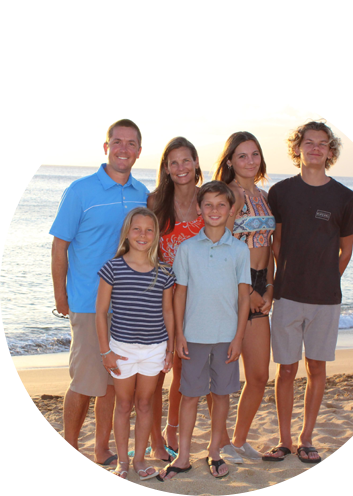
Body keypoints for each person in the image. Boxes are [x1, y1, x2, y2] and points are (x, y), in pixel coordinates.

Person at [50, 119, 149, 466]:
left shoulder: (142, 193)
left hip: (126, 305)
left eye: (131, 143)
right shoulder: (80, 190)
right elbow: (60, 246)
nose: (124, 148)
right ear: (106, 147)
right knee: (84, 380)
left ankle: (102, 448)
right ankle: (69, 449)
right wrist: (61, 297)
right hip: (88, 303)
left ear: (139, 150)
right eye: (117, 142)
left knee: (111, 381)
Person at [263, 121, 353, 464]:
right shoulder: (281, 192)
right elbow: (275, 244)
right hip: (288, 297)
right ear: (298, 148)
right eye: (309, 142)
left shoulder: (345, 198)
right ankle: (285, 440)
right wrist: (282, 281)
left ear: (331, 152)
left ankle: (307, 438)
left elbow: (344, 252)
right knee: (286, 370)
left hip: (326, 301)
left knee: (316, 367)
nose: (316, 148)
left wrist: (325, 279)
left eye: (323, 144)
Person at [157, 181, 251, 481]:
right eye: (208, 204)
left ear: (231, 210)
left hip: (226, 336)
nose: (214, 210)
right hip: (193, 336)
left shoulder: (238, 250)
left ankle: (213, 452)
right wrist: (179, 335)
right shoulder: (187, 248)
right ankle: (183, 457)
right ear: (199, 209)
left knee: (221, 395)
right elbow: (179, 293)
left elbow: (244, 296)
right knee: (189, 396)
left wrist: (239, 337)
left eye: (221, 205)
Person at [96, 207, 175, 479]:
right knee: (123, 404)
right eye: (137, 229)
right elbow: (101, 312)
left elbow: (168, 312)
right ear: (127, 233)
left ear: (156, 236)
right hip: (122, 350)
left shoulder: (164, 271)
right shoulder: (113, 267)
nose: (143, 234)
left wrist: (171, 349)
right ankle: (122, 462)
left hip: (154, 349)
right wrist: (106, 351)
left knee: (144, 405)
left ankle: (140, 460)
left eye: (149, 230)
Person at [213, 131, 275, 463]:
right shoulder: (229, 195)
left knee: (259, 375)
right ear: (229, 161)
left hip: (261, 284)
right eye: (242, 156)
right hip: (233, 286)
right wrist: (247, 290)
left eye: (254, 154)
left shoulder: (265, 196)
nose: (249, 161)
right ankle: (220, 441)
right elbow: (221, 246)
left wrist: (269, 286)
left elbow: (270, 247)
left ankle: (238, 440)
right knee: (224, 374)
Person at [147, 137, 204, 461]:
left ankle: (172, 430)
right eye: (174, 162)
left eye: (186, 161)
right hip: (160, 298)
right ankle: (156, 440)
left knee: (184, 372)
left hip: (197, 301)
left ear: (196, 162)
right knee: (157, 374)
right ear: (166, 169)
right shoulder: (156, 200)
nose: (181, 168)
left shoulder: (206, 200)